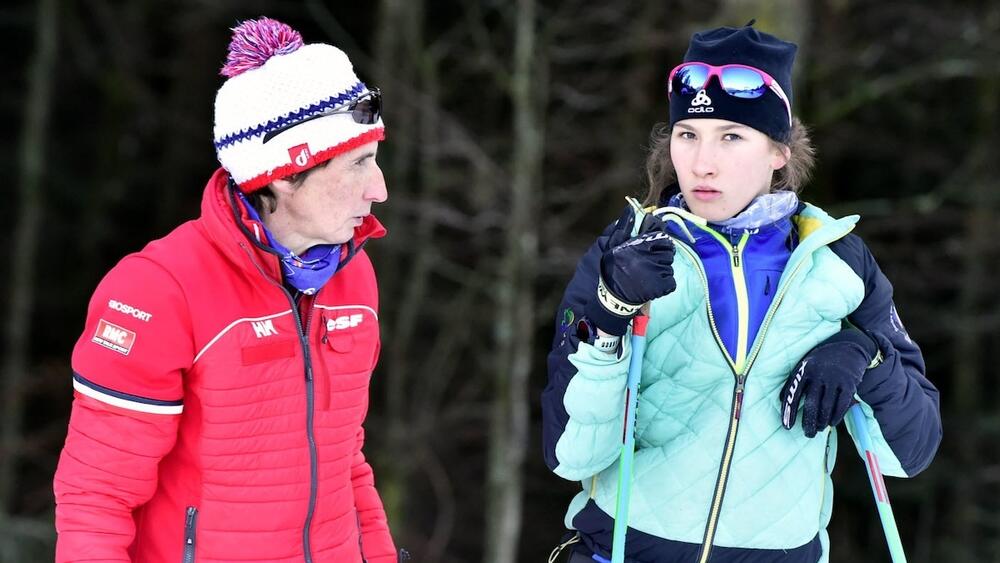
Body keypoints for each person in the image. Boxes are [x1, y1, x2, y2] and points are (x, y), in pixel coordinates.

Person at [542, 22, 941, 563]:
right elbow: (571, 454)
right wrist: (611, 315)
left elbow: (912, 451)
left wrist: (864, 356)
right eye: (688, 135)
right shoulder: (630, 250)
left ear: (780, 152)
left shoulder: (837, 263)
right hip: (626, 550)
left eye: (732, 136)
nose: (703, 163)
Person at [52, 17, 400, 562]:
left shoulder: (353, 277)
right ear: (287, 173)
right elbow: (97, 499)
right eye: (360, 164)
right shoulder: (159, 289)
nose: (378, 190)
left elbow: (344, 461)